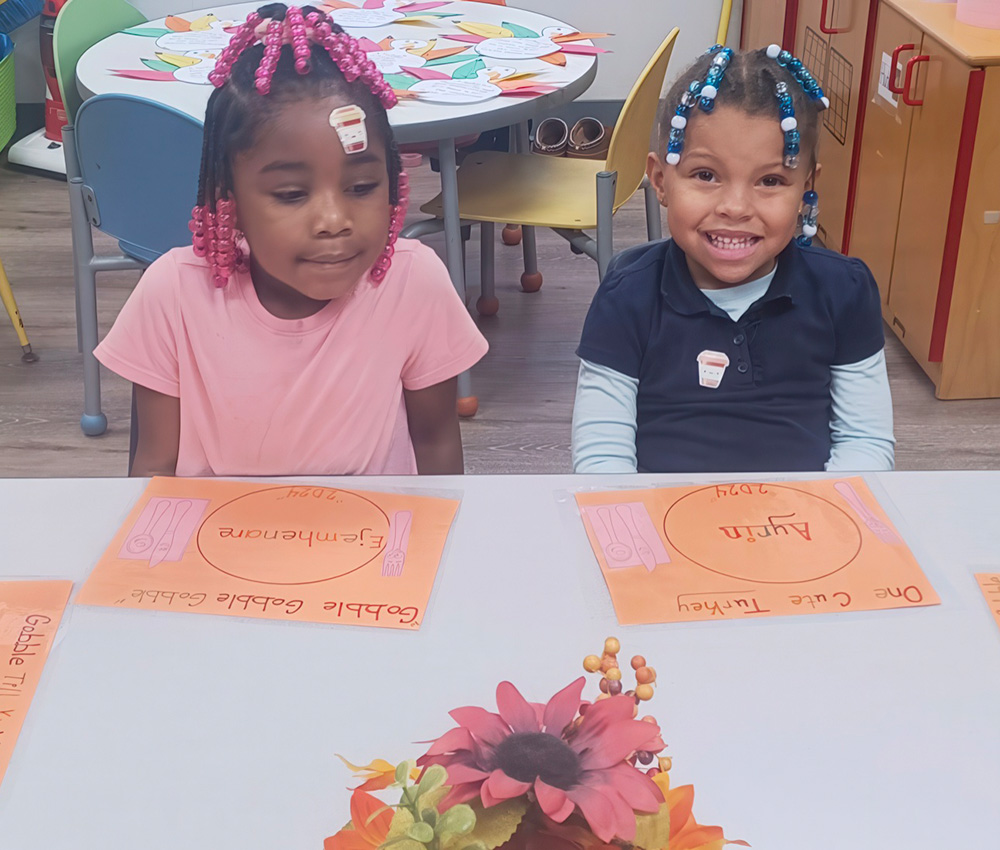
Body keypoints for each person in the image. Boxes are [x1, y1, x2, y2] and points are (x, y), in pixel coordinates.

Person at [96, 4, 488, 478]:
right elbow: (154, 465)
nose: (333, 220)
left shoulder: (414, 282)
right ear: (230, 198)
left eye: (362, 187)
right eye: (291, 194)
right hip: (217, 544)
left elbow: (437, 441)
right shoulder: (173, 294)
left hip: (370, 541)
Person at [572, 44, 894, 473]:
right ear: (660, 180)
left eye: (771, 180)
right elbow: (601, 460)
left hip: (803, 525)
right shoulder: (627, 296)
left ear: (806, 189)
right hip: (661, 526)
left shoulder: (845, 292)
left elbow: (865, 444)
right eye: (706, 175)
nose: (736, 207)